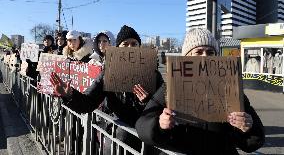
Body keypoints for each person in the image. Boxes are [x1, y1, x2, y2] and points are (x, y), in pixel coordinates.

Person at [135, 28, 265, 155]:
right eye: (198, 52)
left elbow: (254, 141)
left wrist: (248, 128)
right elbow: (142, 125)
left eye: (210, 52)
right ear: (186, 58)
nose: (205, 57)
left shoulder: (231, 88)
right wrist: (159, 124)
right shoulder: (169, 88)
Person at [50, 25, 164, 154]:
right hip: (119, 137)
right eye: (125, 44)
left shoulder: (153, 73)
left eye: (134, 43)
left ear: (139, 46)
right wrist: (71, 94)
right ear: (118, 48)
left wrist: (149, 101)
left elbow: (164, 105)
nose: (130, 47)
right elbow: (89, 101)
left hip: (146, 139)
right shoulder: (109, 72)